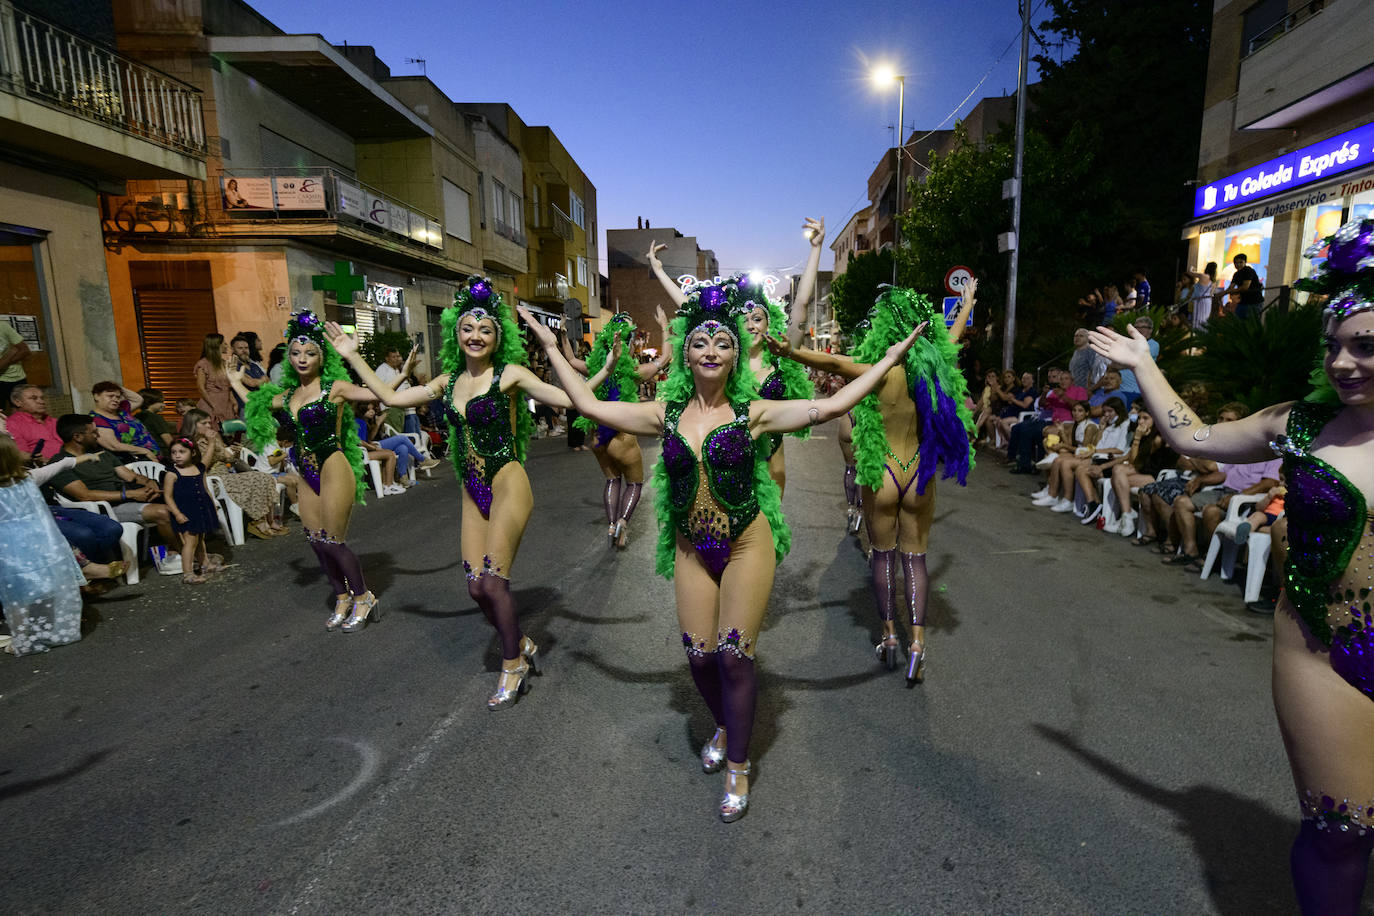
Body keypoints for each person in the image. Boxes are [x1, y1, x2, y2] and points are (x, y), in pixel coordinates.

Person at [524, 275, 926, 823]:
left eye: (723, 343)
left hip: (746, 543)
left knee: (735, 656)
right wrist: (550, 348)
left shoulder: (755, 412)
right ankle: (723, 722)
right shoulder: (660, 415)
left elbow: (831, 408)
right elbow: (588, 405)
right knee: (698, 657)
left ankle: (738, 763)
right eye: (700, 342)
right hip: (692, 549)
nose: (711, 351)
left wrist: (891, 357)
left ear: (736, 353)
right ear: (685, 351)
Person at [1088, 215, 1374, 914]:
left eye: (1364, 346)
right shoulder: (1297, 427)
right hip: (1321, 652)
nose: (1342, 364)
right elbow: (1194, 437)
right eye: (1332, 346)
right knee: (1340, 834)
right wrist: (1146, 365)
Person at [329, 277, 578, 706]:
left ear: (498, 337)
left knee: (495, 585)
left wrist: (557, 350)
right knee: (475, 589)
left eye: (485, 329)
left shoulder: (511, 375)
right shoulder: (447, 381)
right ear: (456, 333)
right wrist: (353, 356)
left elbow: (574, 400)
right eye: (468, 328)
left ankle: (512, 663)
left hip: (507, 483)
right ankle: (519, 641)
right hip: (472, 490)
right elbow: (390, 395)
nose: (475, 336)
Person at [770, 280, 976, 682]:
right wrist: (965, 305)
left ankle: (888, 635)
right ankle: (917, 641)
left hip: (881, 470)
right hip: (919, 468)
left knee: (883, 554)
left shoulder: (876, 369)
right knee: (915, 556)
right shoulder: (936, 368)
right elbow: (953, 336)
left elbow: (831, 364)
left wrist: (790, 351)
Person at [648, 221, 823, 495]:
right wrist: (659, 271)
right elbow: (690, 309)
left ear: (768, 323)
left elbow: (801, 305)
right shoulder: (725, 363)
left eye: (758, 319)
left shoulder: (780, 357)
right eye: (744, 321)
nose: (752, 325)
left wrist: (816, 249)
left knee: (769, 532)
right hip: (725, 458)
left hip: (771, 460)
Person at [231, 311, 379, 632]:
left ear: (322, 357)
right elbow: (256, 405)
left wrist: (356, 357)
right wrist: (233, 382)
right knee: (315, 540)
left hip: (333, 465)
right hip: (304, 469)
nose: (301, 358)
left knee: (335, 541)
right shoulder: (289, 395)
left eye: (310, 352)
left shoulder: (335, 387)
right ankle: (341, 596)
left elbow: (382, 394)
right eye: (296, 353)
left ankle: (363, 596)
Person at [559, 310, 670, 548]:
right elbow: (666, 357)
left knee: (612, 481)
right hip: (623, 438)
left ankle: (611, 524)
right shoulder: (634, 372)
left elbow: (569, 360)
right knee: (634, 484)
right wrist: (664, 328)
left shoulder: (596, 369)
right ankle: (622, 522)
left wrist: (563, 334)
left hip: (597, 438)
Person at [43, 414, 181, 574]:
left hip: (127, 499)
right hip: (102, 509)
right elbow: (85, 495)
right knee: (163, 512)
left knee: (183, 499)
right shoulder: (60, 463)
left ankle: (178, 551)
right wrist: (129, 494)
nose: (98, 436)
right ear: (78, 437)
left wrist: (149, 483)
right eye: (93, 432)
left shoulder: (102, 454)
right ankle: (184, 554)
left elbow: (130, 476)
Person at [0, 434, 91, 655]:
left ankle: (25, 640)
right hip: (43, 544)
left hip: (10, 550)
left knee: (18, 597)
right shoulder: (29, 478)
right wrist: (79, 459)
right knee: (49, 588)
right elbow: (56, 467)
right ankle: (58, 630)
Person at [180, 409, 287, 538]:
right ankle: (258, 521)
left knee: (265, 478)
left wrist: (235, 453)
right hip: (210, 479)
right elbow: (202, 467)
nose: (209, 426)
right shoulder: (188, 444)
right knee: (255, 479)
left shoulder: (211, 438)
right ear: (193, 424)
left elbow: (228, 458)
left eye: (209, 422)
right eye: (204, 423)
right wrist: (212, 444)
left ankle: (269, 521)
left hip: (226, 474)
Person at [162, 436, 222, 584]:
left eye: (182, 451)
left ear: (193, 453)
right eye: (174, 452)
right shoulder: (172, 473)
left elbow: (205, 489)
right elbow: (168, 497)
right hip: (185, 511)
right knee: (190, 542)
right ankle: (187, 573)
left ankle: (205, 564)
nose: (177, 455)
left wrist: (212, 506)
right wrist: (177, 513)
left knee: (200, 538)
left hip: (201, 508)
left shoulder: (199, 469)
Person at [89, 381, 161, 462]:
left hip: (153, 458)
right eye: (110, 396)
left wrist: (117, 387)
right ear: (96, 396)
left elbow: (138, 399)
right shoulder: (96, 419)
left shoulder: (122, 411)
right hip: (134, 462)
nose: (115, 399)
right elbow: (114, 445)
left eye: (118, 397)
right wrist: (145, 451)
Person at [7, 384, 61, 462]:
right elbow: (21, 455)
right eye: (34, 398)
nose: (41, 402)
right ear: (18, 402)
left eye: (42, 398)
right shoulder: (13, 424)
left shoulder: (54, 421)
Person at [194, 333, 238, 425]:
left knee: (230, 434)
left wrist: (234, 402)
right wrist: (214, 406)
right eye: (224, 343)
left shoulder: (225, 363)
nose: (226, 346)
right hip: (211, 404)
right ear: (217, 345)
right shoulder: (203, 364)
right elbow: (201, 388)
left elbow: (228, 387)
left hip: (226, 404)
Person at [0, 319, 30, 410]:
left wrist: (4, 362)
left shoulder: (3, 326)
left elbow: (25, 350)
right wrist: (12, 352)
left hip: (18, 377)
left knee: (21, 413)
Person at [1228, 253, 1264, 318]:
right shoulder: (1236, 274)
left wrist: (1231, 292)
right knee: (1239, 321)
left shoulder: (1248, 270)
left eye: (1240, 262)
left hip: (1254, 302)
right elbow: (1230, 287)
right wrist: (1224, 293)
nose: (1238, 264)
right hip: (1244, 302)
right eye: (1236, 263)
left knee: (1251, 323)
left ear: (1245, 262)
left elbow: (1245, 287)